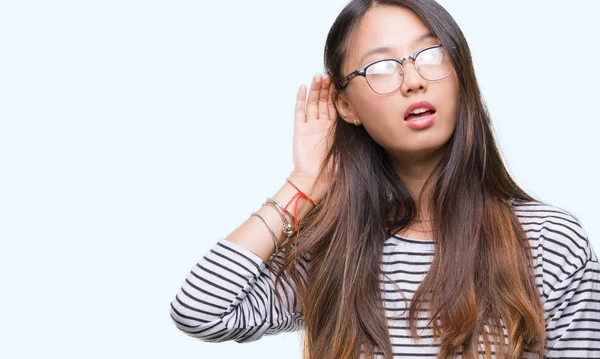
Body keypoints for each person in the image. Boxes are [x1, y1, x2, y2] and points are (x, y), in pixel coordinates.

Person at [169, 0, 600, 358]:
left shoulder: (545, 240)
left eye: (431, 55)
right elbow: (201, 310)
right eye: (381, 67)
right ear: (345, 106)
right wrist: (303, 183)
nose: (413, 80)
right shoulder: (336, 249)